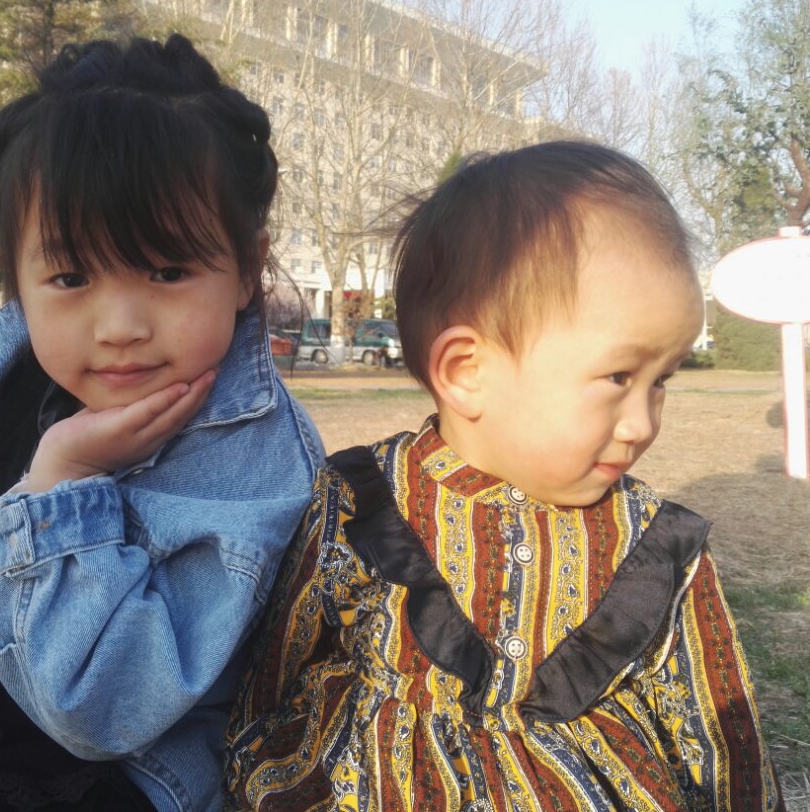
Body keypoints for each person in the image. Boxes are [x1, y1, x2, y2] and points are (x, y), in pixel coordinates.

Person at [225, 142, 781, 811]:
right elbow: (284, 661)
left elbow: (715, 722)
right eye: (618, 377)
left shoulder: (653, 542)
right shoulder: (362, 499)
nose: (641, 423)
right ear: (467, 372)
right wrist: (252, 764)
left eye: (661, 380)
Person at [0, 34, 324, 812]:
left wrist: (63, 484)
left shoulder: (254, 458)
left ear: (247, 268)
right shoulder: (20, 386)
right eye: (70, 275)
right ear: (17, 280)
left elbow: (105, 712)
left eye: (168, 269)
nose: (119, 326)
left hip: (111, 782)